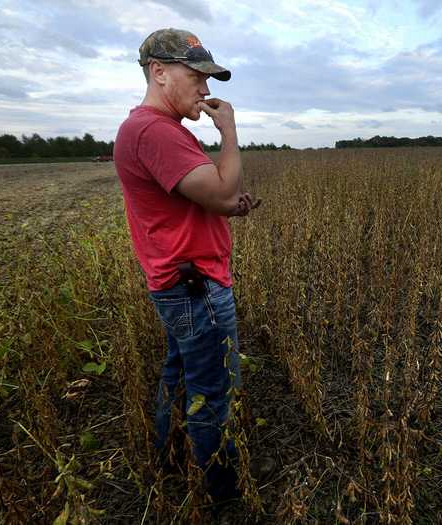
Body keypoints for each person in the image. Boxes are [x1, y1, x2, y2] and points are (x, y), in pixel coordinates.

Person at [113, 27, 259, 501]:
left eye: (208, 77)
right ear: (159, 73)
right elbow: (220, 193)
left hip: (180, 283)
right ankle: (223, 495)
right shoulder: (155, 131)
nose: (206, 88)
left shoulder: (156, 130)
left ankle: (168, 456)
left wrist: (229, 203)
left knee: (181, 378)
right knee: (214, 393)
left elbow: (203, 198)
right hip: (196, 286)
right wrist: (230, 131)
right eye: (196, 75)